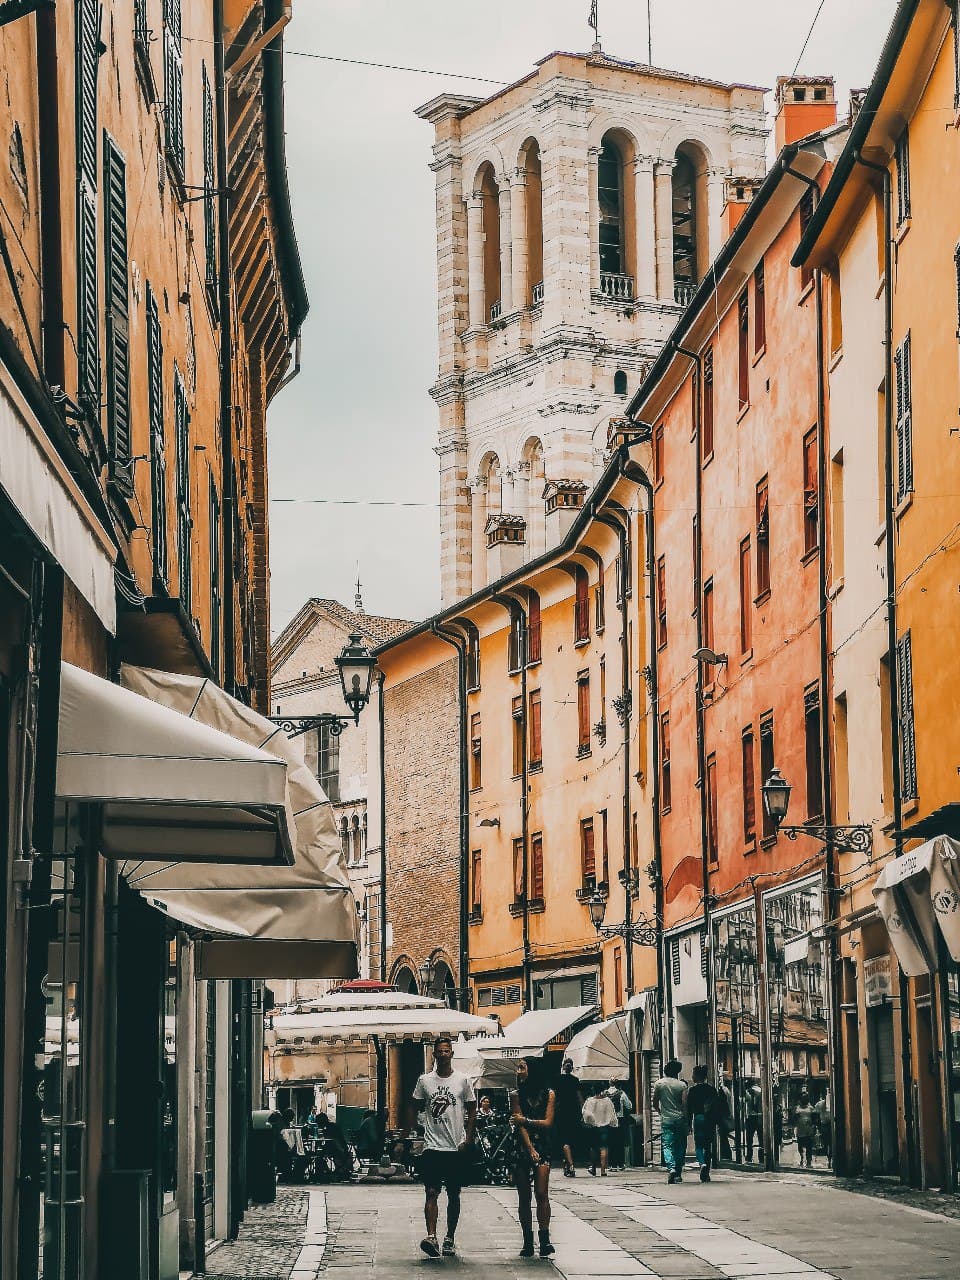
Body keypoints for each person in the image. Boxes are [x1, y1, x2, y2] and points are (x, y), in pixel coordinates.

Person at [409, 1034, 477, 1259]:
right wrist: (418, 1129)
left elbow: (472, 1108)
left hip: (455, 1147)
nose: (443, 1054)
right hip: (432, 1146)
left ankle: (449, 1237)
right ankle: (432, 1236)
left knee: (454, 1194)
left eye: (447, 1051)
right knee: (431, 1191)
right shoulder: (424, 1081)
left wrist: (468, 1138)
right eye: (440, 1051)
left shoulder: (463, 1080)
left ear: (452, 1054)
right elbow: (416, 1105)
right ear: (435, 1054)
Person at [508, 1057, 556, 1258]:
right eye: (518, 1068)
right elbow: (519, 1126)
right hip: (522, 1146)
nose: (518, 1071)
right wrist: (529, 1149)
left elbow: (548, 1122)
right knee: (524, 1196)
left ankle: (544, 1239)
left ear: (532, 1071)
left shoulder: (549, 1094)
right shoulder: (515, 1095)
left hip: (543, 1146)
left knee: (542, 1193)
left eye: (522, 1067)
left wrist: (526, 1120)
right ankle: (528, 1241)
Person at [653, 1059, 688, 1184]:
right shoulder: (682, 1085)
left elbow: (655, 1102)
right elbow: (685, 1104)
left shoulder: (659, 1084)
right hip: (679, 1119)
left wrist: (660, 1112)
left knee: (667, 1145)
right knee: (680, 1145)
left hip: (666, 1119)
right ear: (678, 1072)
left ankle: (671, 1167)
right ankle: (678, 1172)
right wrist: (687, 1119)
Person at [685, 1065, 722, 1182]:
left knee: (699, 1145)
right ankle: (707, 1170)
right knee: (708, 1145)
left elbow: (689, 1108)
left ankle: (702, 1164)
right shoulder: (711, 1089)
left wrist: (688, 1123)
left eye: (693, 1074)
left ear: (696, 1076)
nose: (692, 1076)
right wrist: (717, 1122)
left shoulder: (692, 1090)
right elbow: (716, 1107)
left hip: (698, 1118)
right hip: (709, 1120)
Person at [554, 1059, 583, 1176]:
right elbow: (579, 1097)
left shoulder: (558, 1079)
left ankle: (570, 1166)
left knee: (564, 1140)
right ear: (572, 1068)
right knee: (570, 1140)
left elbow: (553, 1096)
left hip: (560, 1112)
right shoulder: (575, 1080)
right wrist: (582, 1112)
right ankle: (567, 1164)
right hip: (573, 1112)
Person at [581, 1084, 617, 1177]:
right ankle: (603, 1170)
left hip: (593, 1127)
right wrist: (613, 1124)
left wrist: (590, 1122)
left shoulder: (590, 1101)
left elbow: (586, 1114)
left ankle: (593, 1167)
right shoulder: (607, 1101)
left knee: (593, 1148)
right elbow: (612, 1114)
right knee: (604, 1147)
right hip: (605, 1127)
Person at [605, 1081, 633, 1170]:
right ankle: (620, 1164)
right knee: (620, 1142)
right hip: (619, 1120)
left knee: (610, 1142)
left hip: (609, 1120)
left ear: (609, 1084)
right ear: (618, 1085)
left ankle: (611, 1165)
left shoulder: (605, 1094)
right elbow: (629, 1106)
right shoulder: (622, 1094)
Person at [794, 1091, 817, 1169]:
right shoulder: (797, 1108)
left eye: (806, 1097)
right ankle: (801, 1158)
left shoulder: (811, 1108)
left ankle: (809, 1161)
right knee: (800, 1146)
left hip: (808, 1131)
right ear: (800, 1099)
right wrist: (795, 1116)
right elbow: (793, 1119)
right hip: (800, 1130)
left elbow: (814, 1119)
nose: (805, 1099)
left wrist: (814, 1128)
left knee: (809, 1146)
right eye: (803, 1097)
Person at [744, 1082, 764, 1163]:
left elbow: (743, 1105)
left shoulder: (747, 1092)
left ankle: (749, 1156)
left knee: (749, 1139)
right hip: (759, 1116)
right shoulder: (761, 1091)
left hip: (750, 1117)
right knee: (761, 1138)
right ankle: (761, 1157)